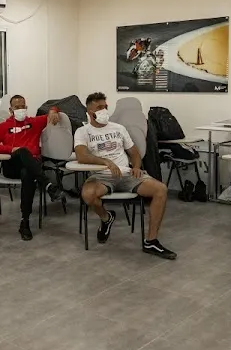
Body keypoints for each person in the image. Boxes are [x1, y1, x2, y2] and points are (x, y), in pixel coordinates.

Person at [74, 92, 175, 260]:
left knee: (160, 189)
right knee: (88, 194)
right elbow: (81, 156)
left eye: (105, 107)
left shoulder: (119, 128)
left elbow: (134, 152)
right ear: (90, 112)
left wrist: (136, 167)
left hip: (127, 174)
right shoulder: (83, 131)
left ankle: (151, 241)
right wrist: (105, 162)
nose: (104, 110)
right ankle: (106, 218)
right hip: (101, 176)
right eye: (99, 107)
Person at [0, 95, 64, 241]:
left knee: (28, 173)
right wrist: (11, 149)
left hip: (31, 168)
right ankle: (47, 184)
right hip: (12, 166)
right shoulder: (4, 126)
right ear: (11, 110)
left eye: (23, 106)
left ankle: (25, 222)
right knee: (23, 151)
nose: (21, 109)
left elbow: (57, 106)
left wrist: (53, 110)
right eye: (17, 107)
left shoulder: (34, 122)